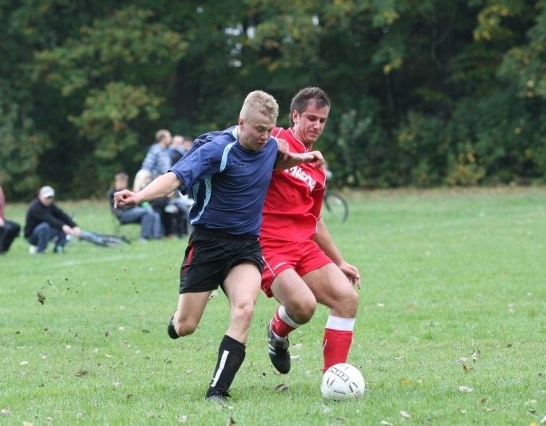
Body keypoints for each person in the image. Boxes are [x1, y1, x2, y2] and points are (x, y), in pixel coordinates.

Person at [114, 90, 324, 405]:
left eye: (270, 130)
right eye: (258, 130)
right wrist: (139, 196)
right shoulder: (218, 151)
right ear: (241, 123)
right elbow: (173, 178)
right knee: (186, 326)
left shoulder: (268, 145)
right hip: (208, 243)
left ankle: (218, 390)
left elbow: (277, 161)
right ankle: (177, 320)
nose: (265, 137)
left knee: (245, 308)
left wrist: (301, 158)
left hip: (245, 246)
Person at [260, 87, 361, 376]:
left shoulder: (316, 165)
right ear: (295, 116)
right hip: (268, 245)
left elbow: (315, 219)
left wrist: (340, 261)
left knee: (347, 298)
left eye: (322, 120)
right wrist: (279, 149)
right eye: (311, 118)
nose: (317, 125)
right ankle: (277, 332)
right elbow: (265, 151)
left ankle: (334, 376)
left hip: (303, 246)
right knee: (303, 307)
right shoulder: (276, 138)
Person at [24, 186, 81, 254]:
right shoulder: (35, 207)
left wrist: (74, 226)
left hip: (47, 231)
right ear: (40, 196)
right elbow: (49, 219)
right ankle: (40, 250)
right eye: (46, 198)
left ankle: (58, 248)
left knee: (62, 226)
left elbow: (62, 215)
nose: (48, 200)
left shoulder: (51, 206)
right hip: (32, 235)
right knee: (45, 227)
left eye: (50, 198)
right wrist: (63, 226)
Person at [108, 172, 162, 242]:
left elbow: (135, 203)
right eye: (120, 182)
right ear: (116, 182)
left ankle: (157, 236)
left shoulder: (126, 191)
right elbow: (117, 206)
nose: (122, 184)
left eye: (124, 182)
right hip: (123, 214)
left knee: (155, 214)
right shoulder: (113, 193)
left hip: (133, 211)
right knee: (147, 212)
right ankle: (144, 237)